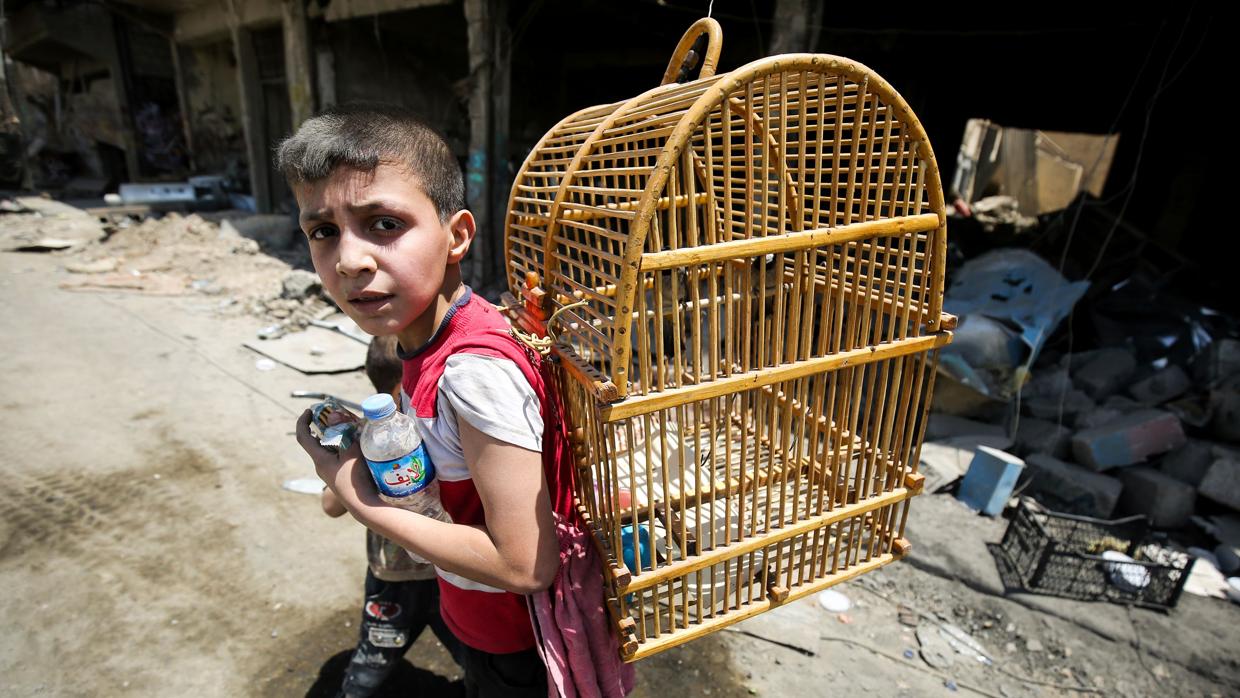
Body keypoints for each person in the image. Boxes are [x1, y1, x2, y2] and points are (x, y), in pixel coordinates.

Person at [283, 105, 631, 698]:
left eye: (384, 224)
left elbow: (524, 565)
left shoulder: (474, 373)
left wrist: (356, 497)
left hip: (516, 640)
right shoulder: (420, 333)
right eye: (323, 231)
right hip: (472, 614)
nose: (349, 260)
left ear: (457, 236)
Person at [320, 335, 460, 697]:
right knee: (371, 665)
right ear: (400, 389)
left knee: (475, 654)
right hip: (394, 576)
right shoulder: (370, 440)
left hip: (450, 568)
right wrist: (351, 463)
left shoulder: (432, 428)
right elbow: (330, 505)